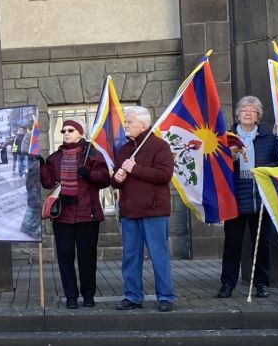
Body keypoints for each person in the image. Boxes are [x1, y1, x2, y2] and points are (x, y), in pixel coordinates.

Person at [39, 119, 110, 309]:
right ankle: (71, 296)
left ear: (80, 133)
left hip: (88, 215)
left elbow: (105, 179)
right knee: (65, 257)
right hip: (63, 215)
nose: (66, 133)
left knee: (87, 257)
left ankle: (88, 295)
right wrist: (40, 165)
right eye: (63, 130)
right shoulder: (55, 158)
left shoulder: (92, 154)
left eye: (71, 130)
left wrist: (90, 173)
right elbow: (48, 183)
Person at [111, 107, 176, 312]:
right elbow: (117, 180)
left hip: (153, 211)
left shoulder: (160, 146)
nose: (125, 125)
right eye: (126, 122)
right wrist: (117, 180)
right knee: (130, 257)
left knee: (158, 255)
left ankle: (165, 297)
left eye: (129, 122)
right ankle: (132, 296)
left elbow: (164, 175)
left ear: (143, 124)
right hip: (130, 212)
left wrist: (134, 169)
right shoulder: (123, 149)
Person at [218, 97, 278, 299]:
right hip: (235, 196)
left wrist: (264, 170)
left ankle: (262, 284)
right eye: (244, 109)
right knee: (232, 243)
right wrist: (230, 158)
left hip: (260, 196)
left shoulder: (269, 139)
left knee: (262, 243)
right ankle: (227, 284)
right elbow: (216, 167)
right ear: (237, 115)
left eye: (253, 110)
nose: (248, 113)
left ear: (258, 116)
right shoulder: (225, 138)